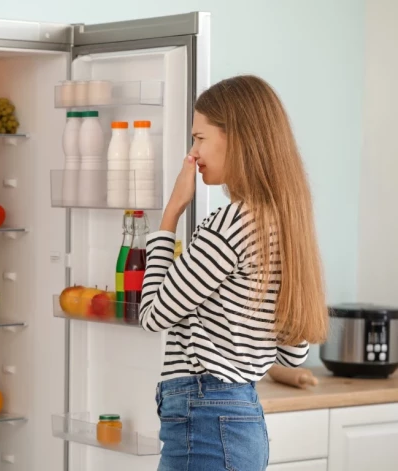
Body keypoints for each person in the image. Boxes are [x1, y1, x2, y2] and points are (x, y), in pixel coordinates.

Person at [139, 75, 329, 471]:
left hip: (205, 419)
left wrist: (169, 216)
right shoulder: (284, 223)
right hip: (242, 417)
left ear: (236, 137)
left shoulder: (230, 224)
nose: (193, 152)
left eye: (200, 138)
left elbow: (152, 314)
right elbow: (292, 353)